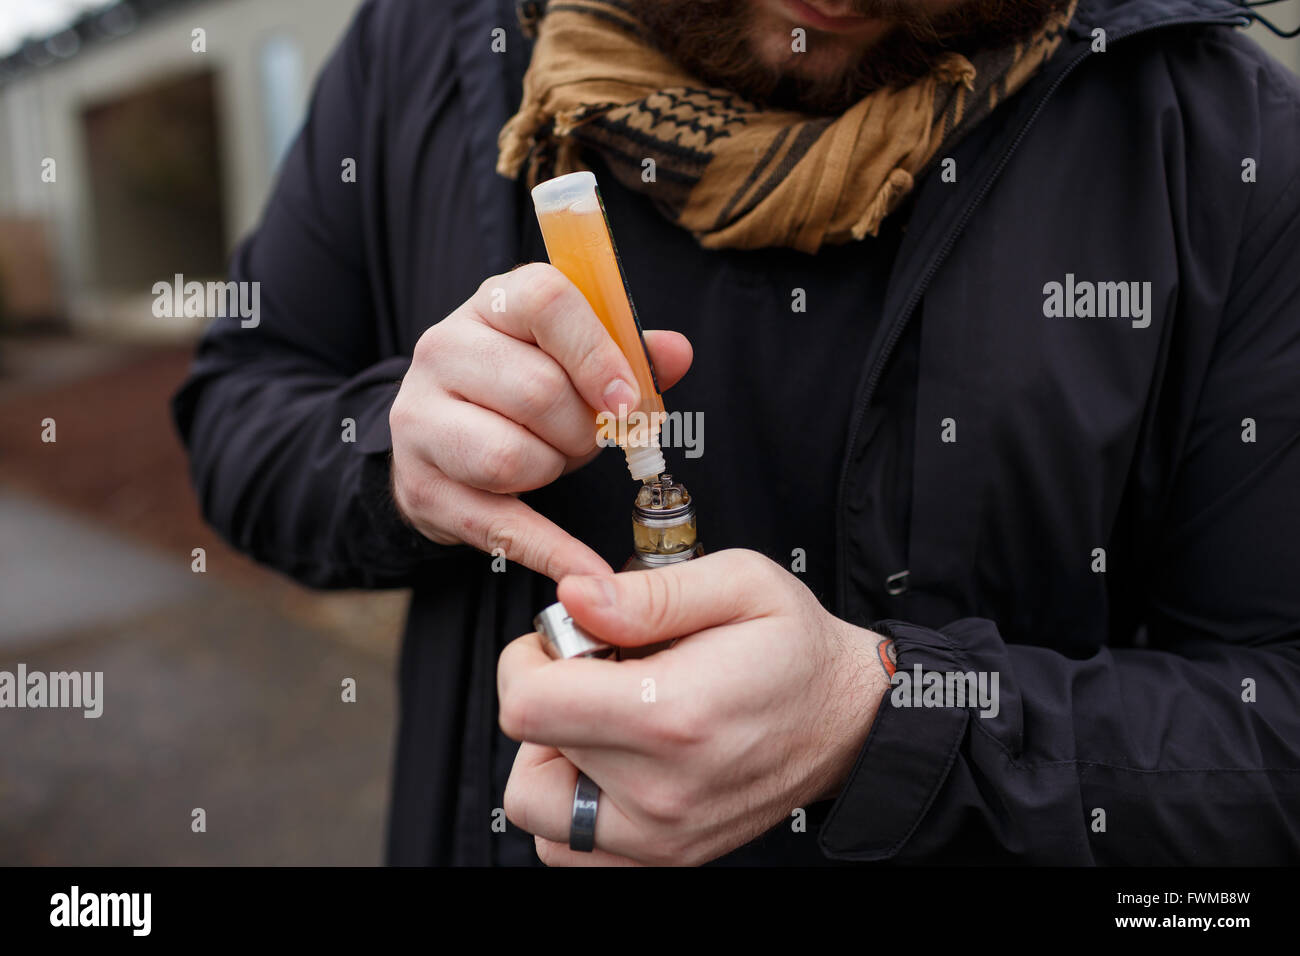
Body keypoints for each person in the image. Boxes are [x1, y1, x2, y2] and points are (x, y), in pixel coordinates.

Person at [172, 0, 1300, 865]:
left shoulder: (1218, 137)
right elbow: (241, 400)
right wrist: (393, 458)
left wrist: (892, 722)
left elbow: (1273, 731)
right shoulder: (427, 42)